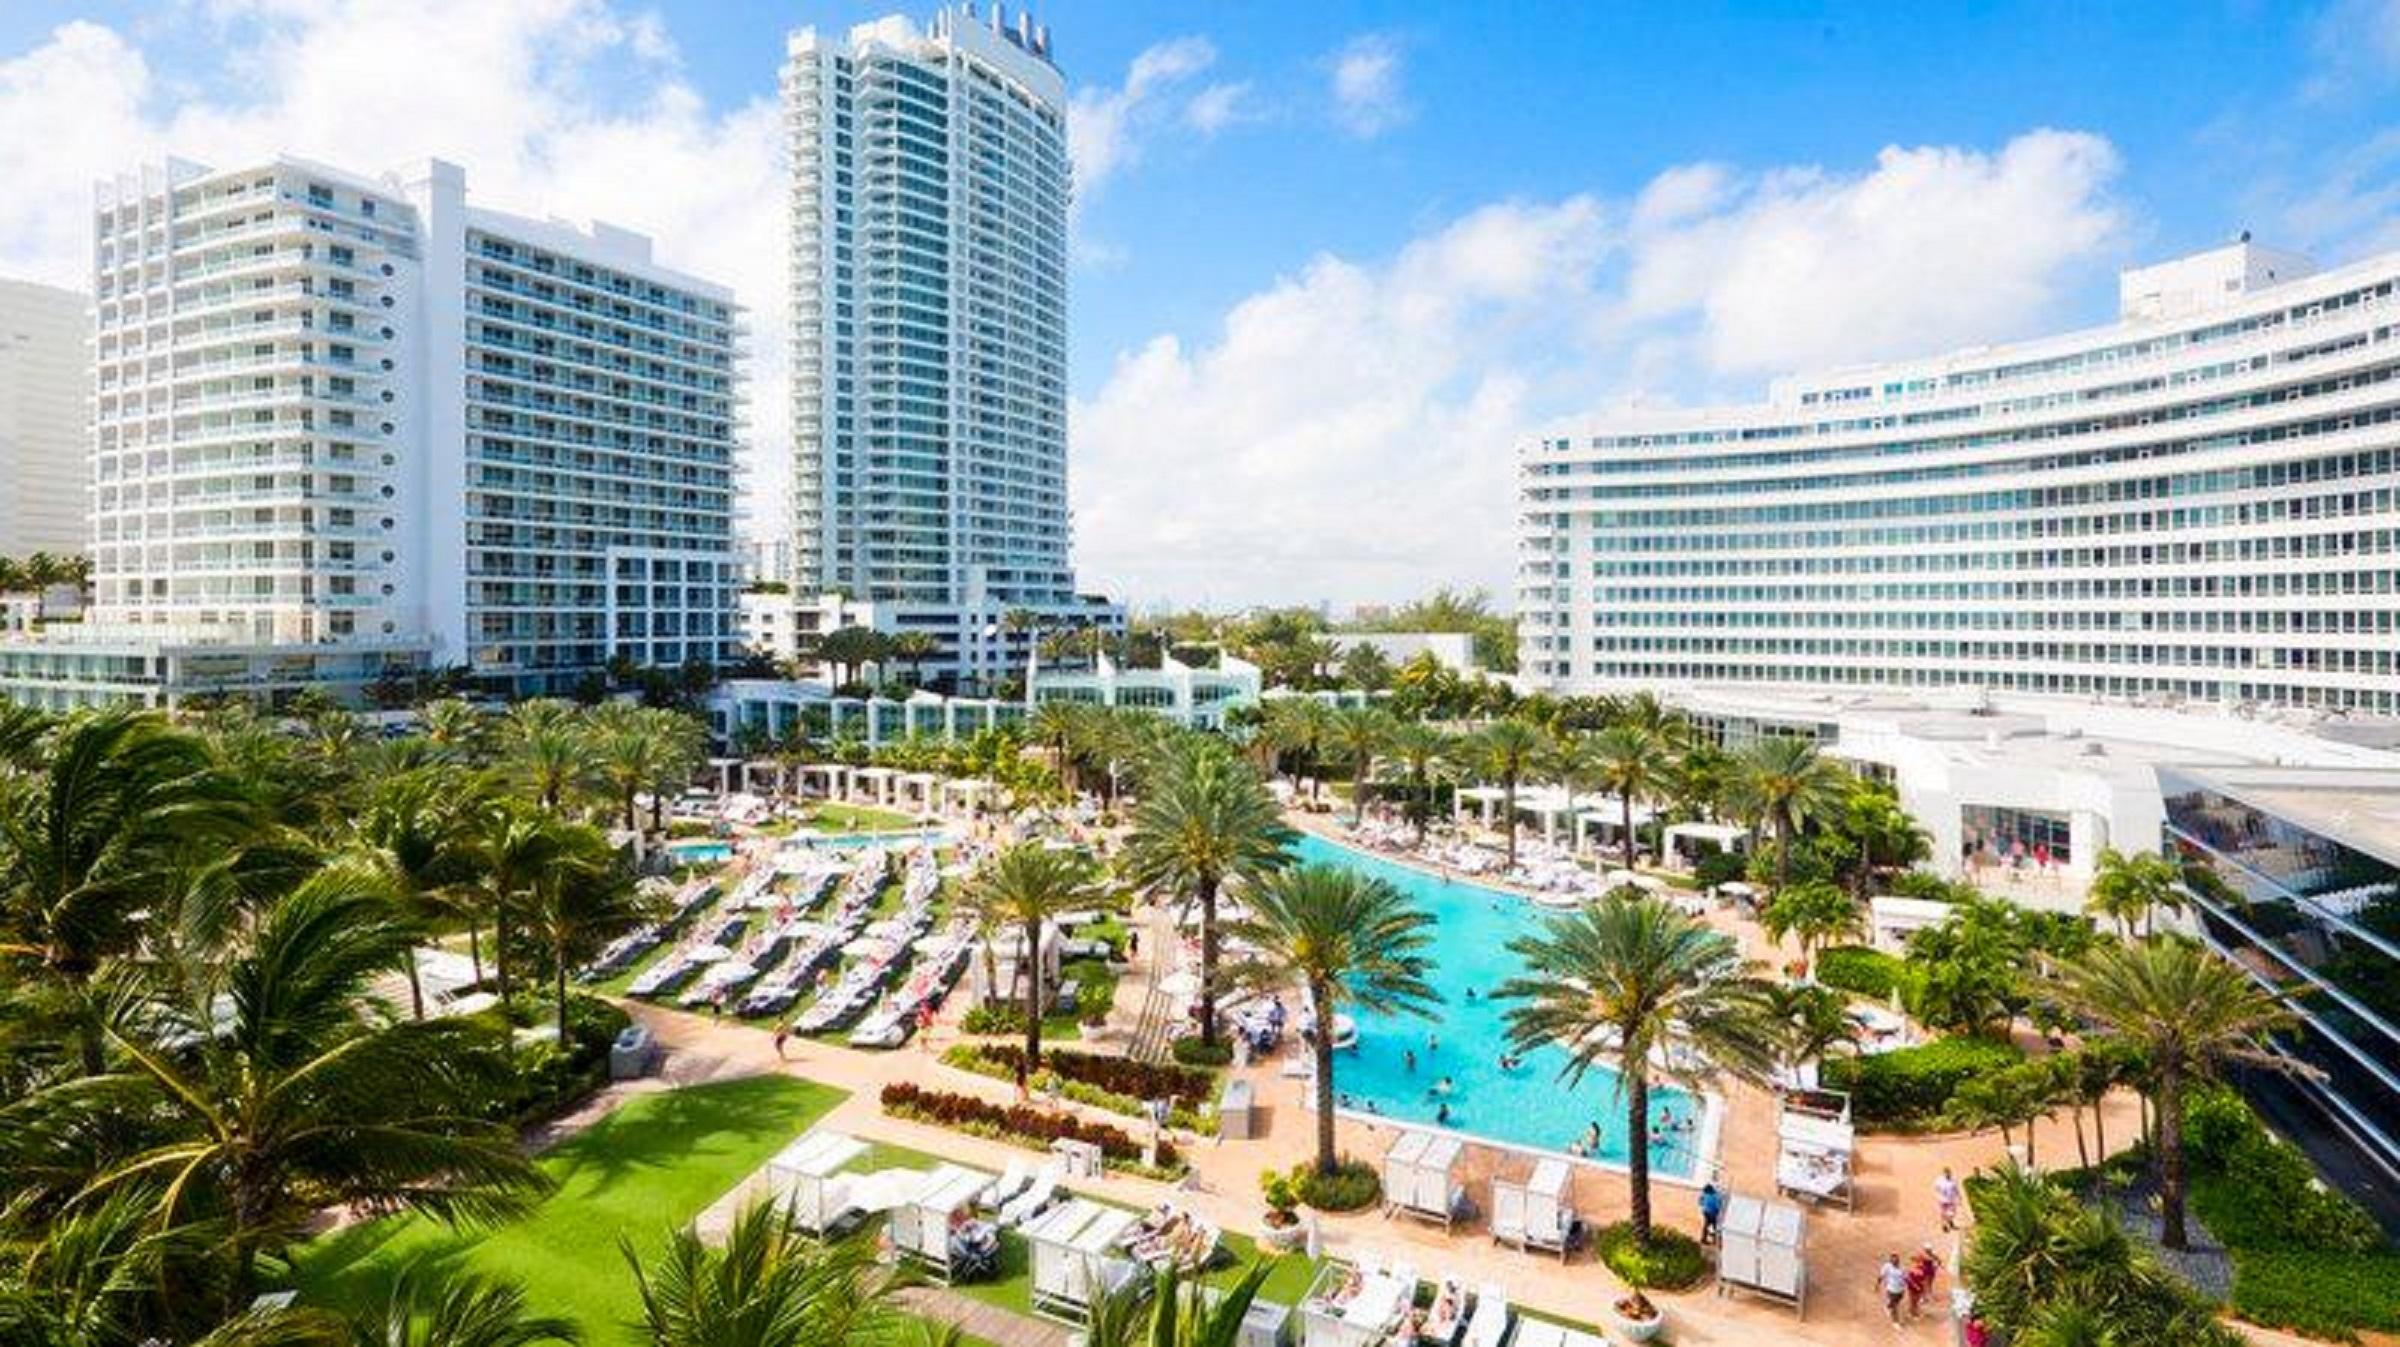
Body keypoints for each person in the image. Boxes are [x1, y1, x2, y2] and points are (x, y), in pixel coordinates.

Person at [1906, 1245, 1942, 1321]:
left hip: (1929, 1273)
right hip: (1922, 1277)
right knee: (1913, 1299)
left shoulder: (1927, 1258)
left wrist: (1936, 1266)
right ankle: (1913, 1312)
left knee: (1928, 1285)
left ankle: (1915, 1310)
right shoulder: (1920, 1262)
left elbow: (1938, 1260)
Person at [1878, 1254, 1909, 1328]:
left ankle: (1888, 1306)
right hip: (1891, 1289)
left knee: (1897, 1301)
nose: (1896, 1262)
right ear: (1891, 1261)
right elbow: (1881, 1275)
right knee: (1895, 1306)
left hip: (1900, 1289)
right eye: (1894, 1261)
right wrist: (1877, 1285)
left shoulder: (1902, 1268)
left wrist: (1907, 1285)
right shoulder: (1887, 1267)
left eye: (1897, 1261)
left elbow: (1905, 1278)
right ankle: (1895, 1321)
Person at [1934, 1167, 1962, 1232]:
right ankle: (1944, 1226)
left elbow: (1956, 1188)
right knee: (1943, 1213)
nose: (1947, 1174)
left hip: (1951, 1199)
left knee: (1951, 1213)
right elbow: (1936, 1189)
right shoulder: (1939, 1180)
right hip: (1943, 1200)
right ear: (1944, 1173)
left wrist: (1959, 1196)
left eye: (1948, 1173)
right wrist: (1938, 1196)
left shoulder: (1953, 1180)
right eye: (1946, 1173)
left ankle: (1950, 1222)